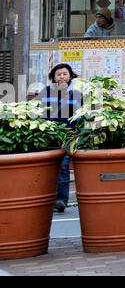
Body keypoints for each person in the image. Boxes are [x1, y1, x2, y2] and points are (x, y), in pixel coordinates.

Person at [39, 64, 82, 212]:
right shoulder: (46, 92)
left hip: (68, 134)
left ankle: (61, 200)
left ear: (70, 76)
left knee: (63, 166)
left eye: (65, 74)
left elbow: (81, 115)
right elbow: (40, 112)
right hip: (49, 134)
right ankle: (47, 198)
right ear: (53, 77)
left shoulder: (76, 93)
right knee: (48, 167)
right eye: (58, 74)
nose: (62, 77)